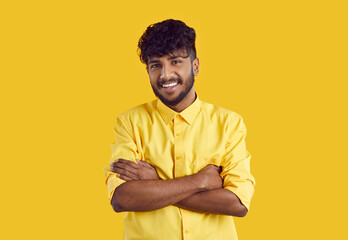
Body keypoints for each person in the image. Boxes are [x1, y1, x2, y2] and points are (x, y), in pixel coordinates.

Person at [104, 19, 255, 240]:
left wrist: (155, 184)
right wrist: (199, 182)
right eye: (156, 65)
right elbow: (122, 198)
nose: (165, 75)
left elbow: (238, 203)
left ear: (195, 66)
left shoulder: (229, 123)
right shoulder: (130, 122)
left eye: (175, 61)